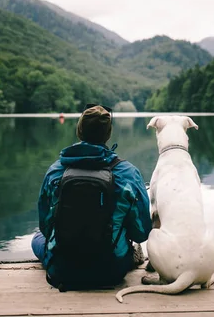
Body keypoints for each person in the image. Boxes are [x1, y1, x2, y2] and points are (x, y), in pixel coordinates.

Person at [31, 103, 152, 289]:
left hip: (63, 267)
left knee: (37, 238)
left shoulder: (55, 171)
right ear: (108, 134)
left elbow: (46, 227)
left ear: (79, 131)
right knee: (123, 238)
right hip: (111, 270)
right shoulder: (128, 173)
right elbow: (141, 232)